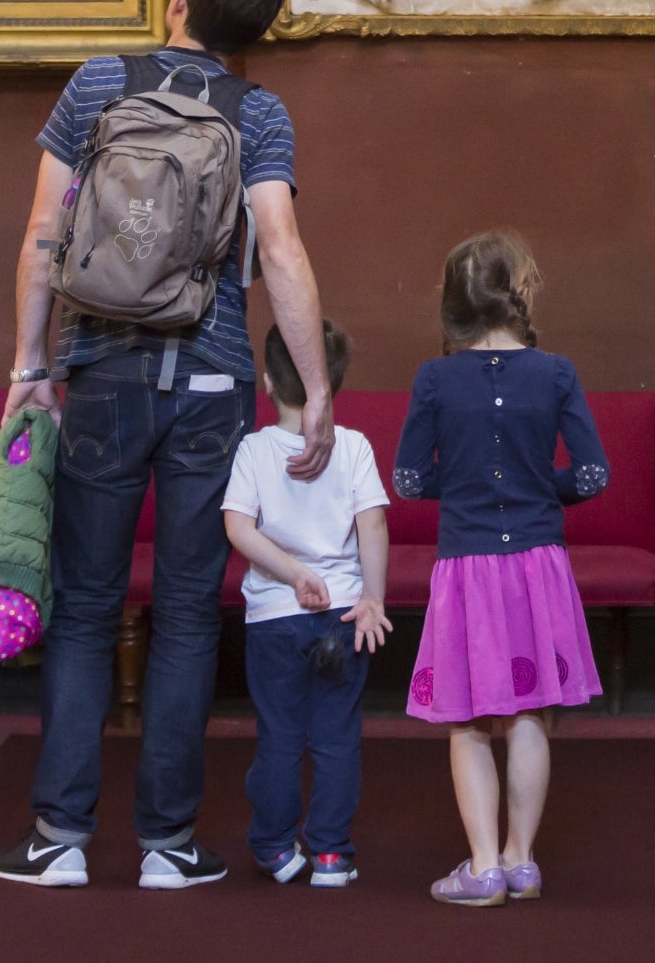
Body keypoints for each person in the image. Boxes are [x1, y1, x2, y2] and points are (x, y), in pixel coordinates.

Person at [0, 0, 338, 891]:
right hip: (213, 378)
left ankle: (60, 837)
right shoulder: (259, 112)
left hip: (100, 369)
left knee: (87, 607)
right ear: (250, 36)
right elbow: (282, 253)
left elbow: (42, 234)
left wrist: (32, 364)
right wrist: (310, 392)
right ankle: (168, 846)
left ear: (179, 1)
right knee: (188, 612)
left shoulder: (100, 81)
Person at [392, 234, 608, 907]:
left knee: (468, 720)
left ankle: (482, 865)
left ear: (454, 302)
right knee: (530, 714)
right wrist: (541, 491)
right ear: (520, 293)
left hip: (468, 568)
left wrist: (461, 490)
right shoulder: (557, 372)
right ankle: (521, 860)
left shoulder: (434, 378)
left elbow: (405, 477)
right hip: (538, 564)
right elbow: (595, 474)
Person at [224, 319, 390, 889]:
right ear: (331, 382)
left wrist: (293, 575)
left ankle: (275, 848)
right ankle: (329, 855)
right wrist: (373, 598)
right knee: (337, 737)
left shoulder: (253, 449)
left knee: (280, 736)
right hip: (344, 617)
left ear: (266, 381)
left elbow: (238, 528)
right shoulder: (356, 446)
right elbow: (372, 525)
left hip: (274, 620)